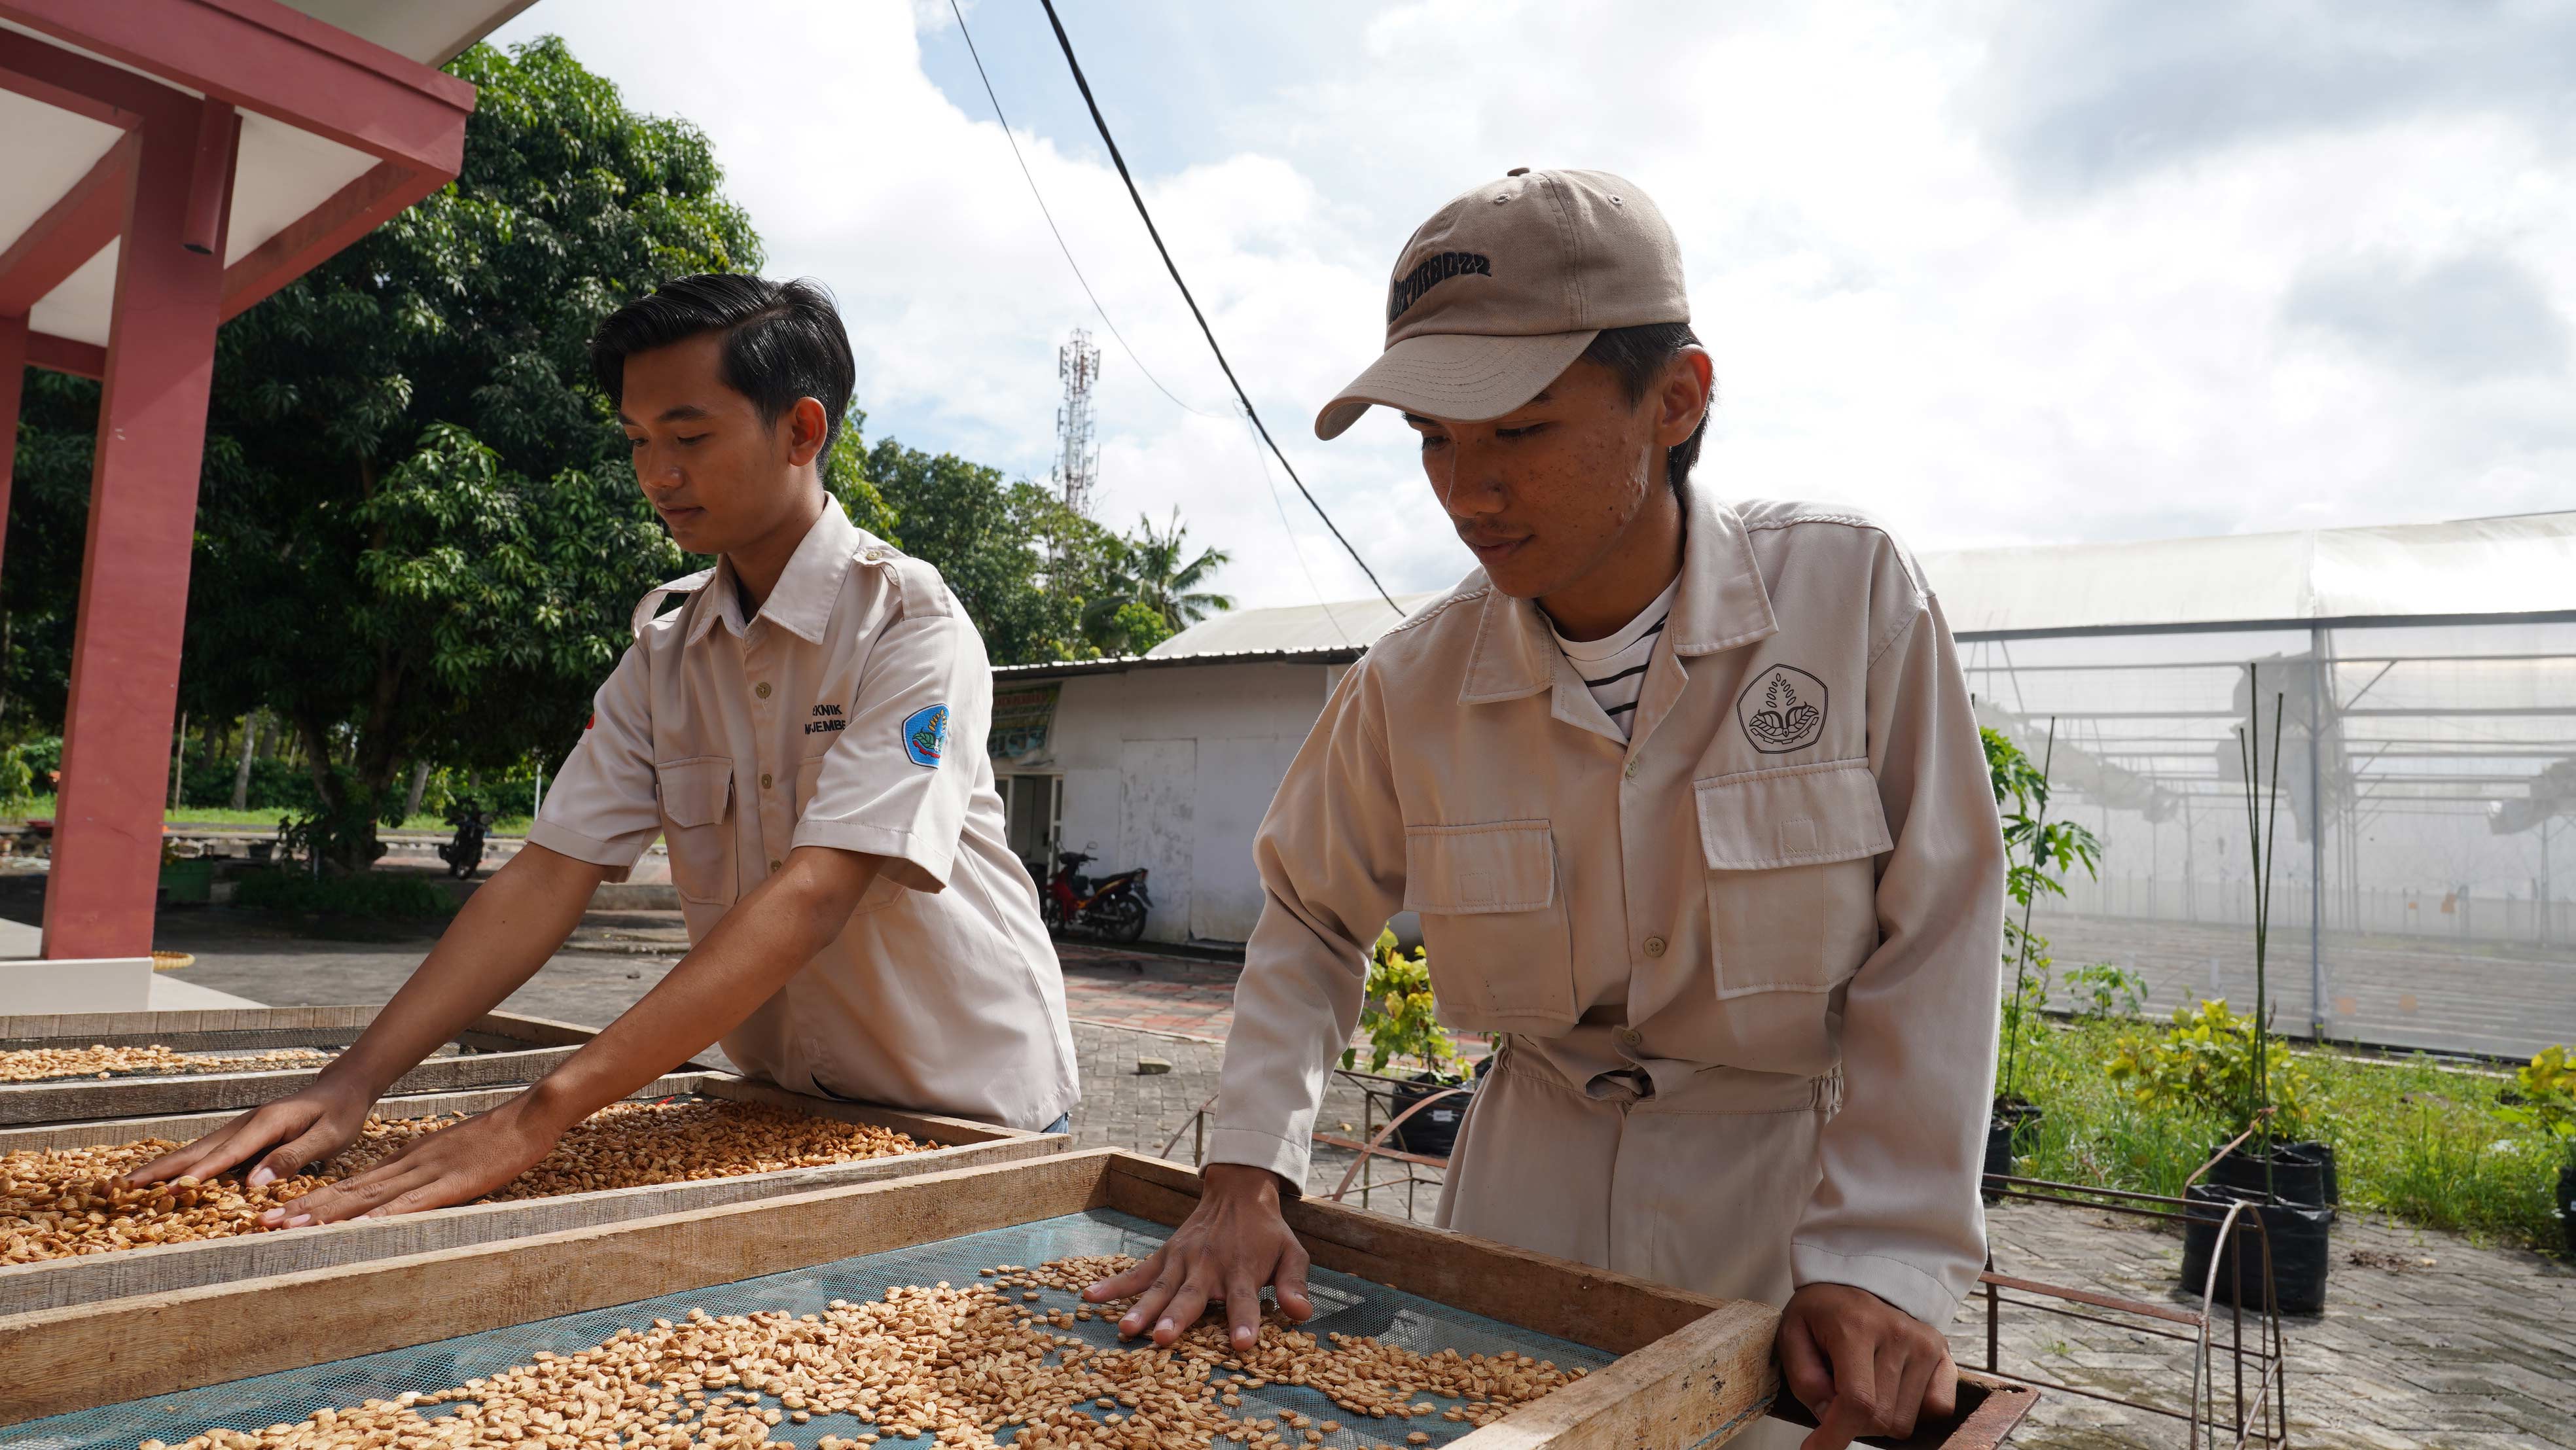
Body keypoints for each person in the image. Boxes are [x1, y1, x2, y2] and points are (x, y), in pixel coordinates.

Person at [1082, 171, 2003, 1450]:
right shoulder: (1412, 683)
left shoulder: (1848, 600)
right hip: (1523, 1186)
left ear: (1674, 399)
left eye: (1516, 430)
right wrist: (1245, 1174)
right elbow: (1307, 917)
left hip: (1780, 1202)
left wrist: (1887, 1260)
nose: (1468, 491)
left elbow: (1942, 928)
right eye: (1434, 439)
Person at [133, 275, 1079, 1221]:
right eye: (637, 442)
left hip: (970, 1113)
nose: (656, 474)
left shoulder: (909, 622)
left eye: (690, 437)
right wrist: (353, 1082)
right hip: (780, 1115)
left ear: (800, 431)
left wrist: (539, 1114)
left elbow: (816, 894)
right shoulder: (665, 655)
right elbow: (548, 874)